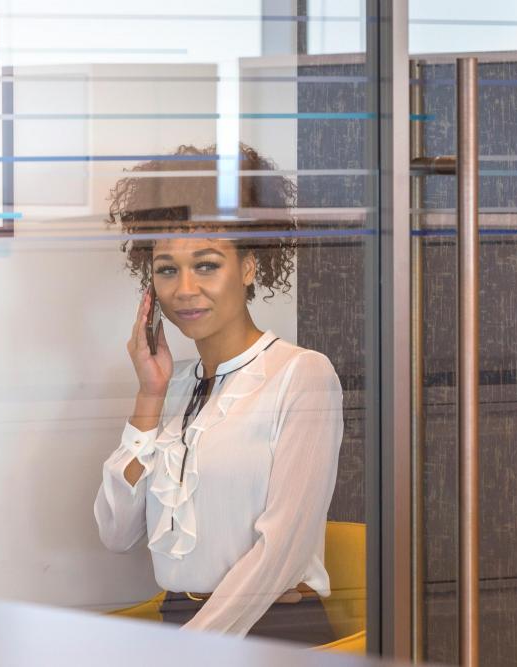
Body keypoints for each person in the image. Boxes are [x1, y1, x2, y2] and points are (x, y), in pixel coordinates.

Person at [93, 144, 343, 646]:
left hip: (268, 634)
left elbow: (280, 555)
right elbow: (117, 534)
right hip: (179, 625)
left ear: (249, 267)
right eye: (167, 269)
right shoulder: (177, 384)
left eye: (206, 265)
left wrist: (192, 650)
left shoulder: (301, 375)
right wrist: (149, 392)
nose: (185, 289)